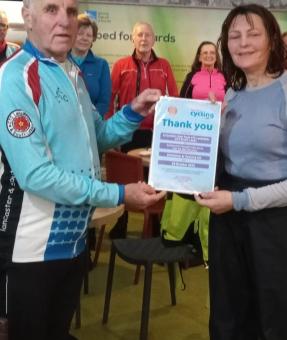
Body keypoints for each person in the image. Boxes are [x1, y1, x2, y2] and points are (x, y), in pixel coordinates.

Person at [0, 0, 165, 338]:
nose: (64, 21)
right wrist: (120, 193)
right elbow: (35, 175)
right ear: (27, 17)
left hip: (73, 241)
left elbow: (96, 138)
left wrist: (132, 111)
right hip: (29, 251)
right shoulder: (14, 77)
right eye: (51, 10)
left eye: (71, 12)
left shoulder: (71, 71)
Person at [194, 4, 287, 340]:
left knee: (281, 321)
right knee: (230, 319)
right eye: (234, 36)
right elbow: (226, 165)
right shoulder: (231, 94)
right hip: (231, 225)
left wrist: (241, 201)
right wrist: (204, 134)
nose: (243, 43)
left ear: (272, 39)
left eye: (253, 34)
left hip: (282, 228)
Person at [108, 21, 178, 152]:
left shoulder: (164, 65)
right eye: (140, 35)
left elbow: (174, 98)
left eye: (148, 35)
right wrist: (112, 134)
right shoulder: (121, 65)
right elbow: (110, 99)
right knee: (129, 171)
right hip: (128, 130)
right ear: (132, 39)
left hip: (157, 130)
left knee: (152, 172)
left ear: (154, 40)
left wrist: (172, 130)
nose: (144, 39)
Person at [71, 13, 111, 117]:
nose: (84, 38)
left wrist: (90, 120)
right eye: (80, 33)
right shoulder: (60, 61)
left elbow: (104, 102)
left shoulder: (102, 65)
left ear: (93, 39)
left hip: (91, 126)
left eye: (89, 35)